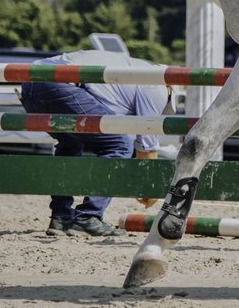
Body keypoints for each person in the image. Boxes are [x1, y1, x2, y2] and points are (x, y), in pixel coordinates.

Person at [18, 50, 168, 236]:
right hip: (59, 83)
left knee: (70, 143)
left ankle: (61, 217)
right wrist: (149, 186)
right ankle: (89, 216)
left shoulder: (131, 69)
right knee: (119, 146)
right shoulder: (157, 86)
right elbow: (146, 143)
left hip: (30, 82)